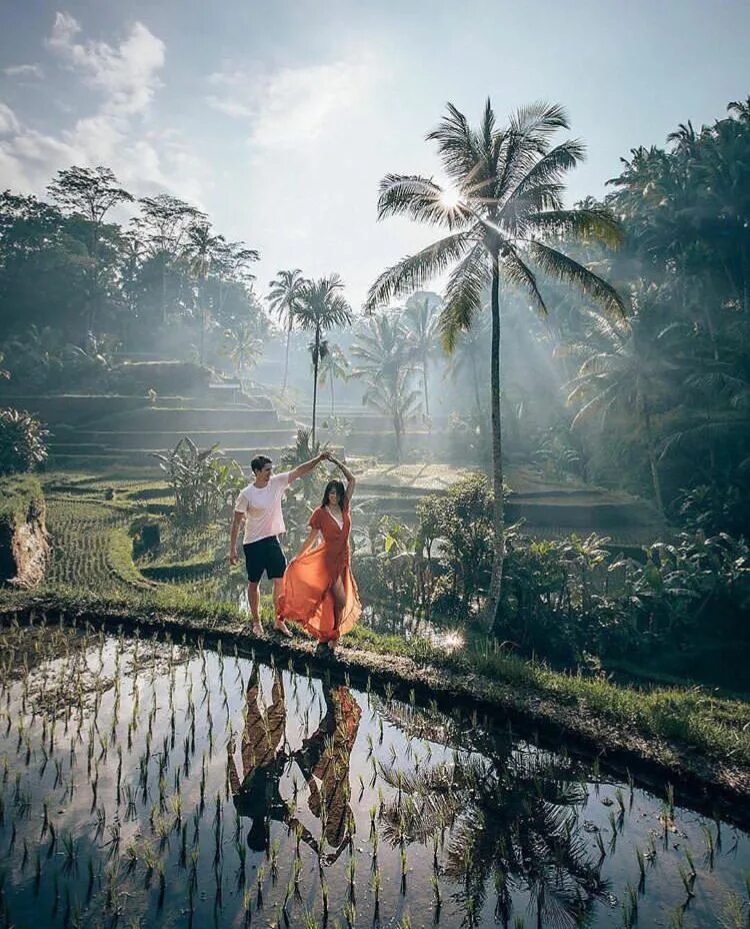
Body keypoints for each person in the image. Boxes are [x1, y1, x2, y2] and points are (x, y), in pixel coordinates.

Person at [229, 451, 328, 637]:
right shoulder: (246, 494)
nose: (270, 473)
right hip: (253, 543)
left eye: (271, 469)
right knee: (253, 582)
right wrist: (232, 548)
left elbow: (299, 470)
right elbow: (236, 523)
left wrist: (319, 459)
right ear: (256, 471)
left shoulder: (276, 483)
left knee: (280, 579)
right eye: (267, 470)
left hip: (272, 540)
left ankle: (279, 620)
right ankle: (256, 622)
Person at [278, 454, 361, 650]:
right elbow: (312, 538)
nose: (334, 496)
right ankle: (333, 635)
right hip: (328, 560)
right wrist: (299, 556)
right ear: (327, 494)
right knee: (339, 600)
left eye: (337, 493)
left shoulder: (345, 507)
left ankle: (327, 635)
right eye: (331, 493)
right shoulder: (320, 513)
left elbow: (352, 480)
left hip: (344, 558)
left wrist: (336, 462)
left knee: (332, 600)